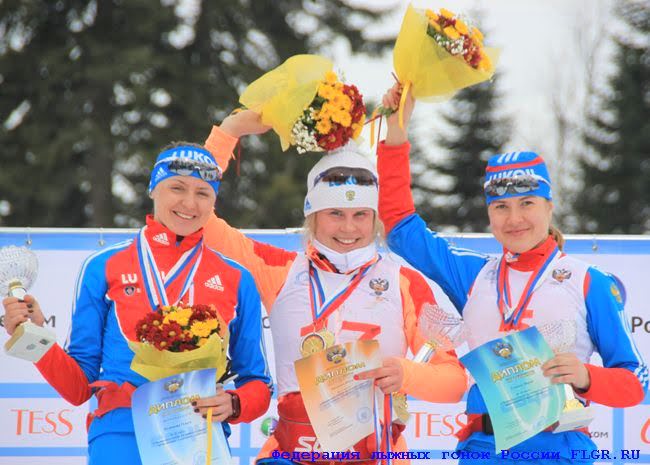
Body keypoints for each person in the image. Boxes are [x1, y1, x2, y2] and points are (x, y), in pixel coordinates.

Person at [376, 84, 648, 463]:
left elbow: (636, 383)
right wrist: (396, 134)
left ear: (549, 206)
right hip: (483, 449)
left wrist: (587, 377)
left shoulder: (587, 281)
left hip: (558, 450)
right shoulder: (475, 275)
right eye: (501, 207)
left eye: (527, 203)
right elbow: (401, 229)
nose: (515, 218)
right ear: (489, 214)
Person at [190, 112, 468, 465]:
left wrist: (406, 373)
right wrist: (228, 133)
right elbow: (198, 218)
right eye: (335, 213)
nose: (348, 228)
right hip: (293, 452)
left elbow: (453, 381)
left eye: (360, 214)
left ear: (375, 218)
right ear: (313, 216)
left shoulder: (403, 282)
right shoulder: (280, 270)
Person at [2, 144, 273, 465]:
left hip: (200, 437)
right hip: (120, 435)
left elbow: (258, 382)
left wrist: (235, 402)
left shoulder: (236, 278)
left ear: (214, 202)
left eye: (203, 193)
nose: (190, 203)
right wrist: (34, 338)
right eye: (177, 188)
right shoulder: (103, 266)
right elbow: (78, 388)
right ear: (153, 188)